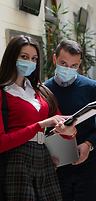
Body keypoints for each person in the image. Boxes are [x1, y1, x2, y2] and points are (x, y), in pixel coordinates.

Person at [0, 35, 77, 200]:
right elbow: (1, 143)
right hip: (15, 160)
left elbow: (60, 125)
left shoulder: (41, 91)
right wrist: (40, 125)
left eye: (34, 58)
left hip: (43, 157)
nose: (30, 62)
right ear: (11, 57)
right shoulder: (2, 93)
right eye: (24, 57)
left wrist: (70, 131)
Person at [44, 40, 96, 201]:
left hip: (88, 164)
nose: (68, 69)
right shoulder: (44, 91)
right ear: (54, 59)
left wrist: (89, 144)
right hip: (56, 167)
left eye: (73, 65)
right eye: (63, 63)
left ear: (80, 64)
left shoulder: (92, 88)